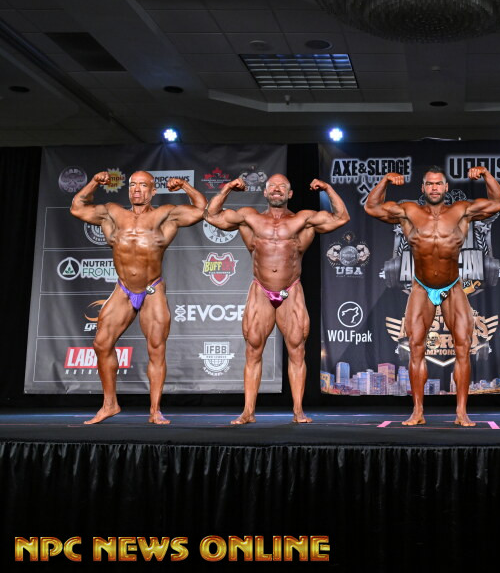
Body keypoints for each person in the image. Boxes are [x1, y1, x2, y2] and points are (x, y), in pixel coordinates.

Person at [364, 166, 500, 426]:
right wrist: (384, 181)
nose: (434, 188)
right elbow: (371, 207)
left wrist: (486, 175)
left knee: (463, 347)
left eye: (438, 183)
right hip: (421, 287)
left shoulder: (461, 210)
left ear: (446, 187)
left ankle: (461, 412)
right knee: (416, 347)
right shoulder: (409, 211)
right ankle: (417, 411)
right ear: (423, 188)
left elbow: (499, 202)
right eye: (429, 184)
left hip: (453, 286)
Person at [204, 174, 349, 424]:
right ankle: (248, 412)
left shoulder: (303, 219)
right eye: (272, 186)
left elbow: (341, 217)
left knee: (297, 350)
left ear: (290, 194)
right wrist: (227, 188)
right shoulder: (250, 217)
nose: (277, 189)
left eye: (282, 186)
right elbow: (211, 215)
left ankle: (298, 411)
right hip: (261, 290)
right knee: (253, 349)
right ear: (265, 192)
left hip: (290, 290)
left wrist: (327, 188)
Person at [70, 170, 207, 424]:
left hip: (152, 289)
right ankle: (110, 404)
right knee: (101, 343)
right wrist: (94, 183)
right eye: (133, 184)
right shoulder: (112, 212)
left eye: (143, 185)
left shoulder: (165, 214)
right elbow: (77, 207)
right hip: (123, 289)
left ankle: (155, 411)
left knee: (156, 348)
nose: (137, 189)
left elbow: (201, 209)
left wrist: (185, 186)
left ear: (153, 191)